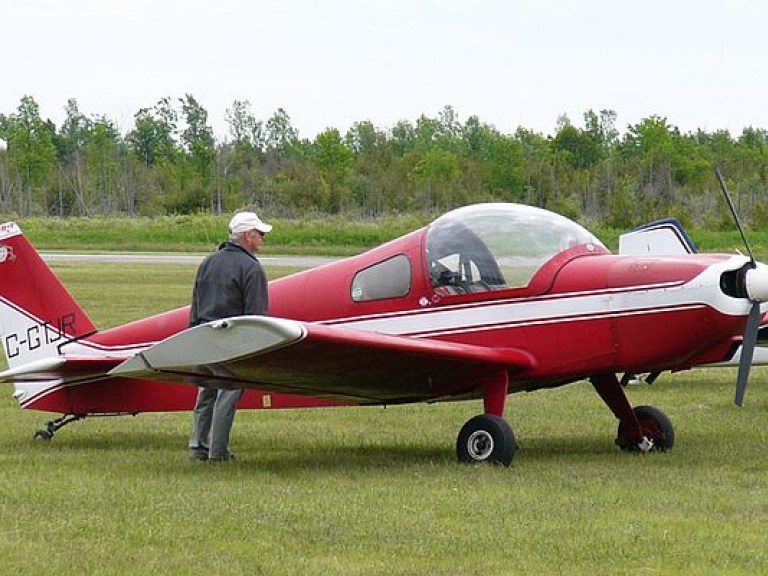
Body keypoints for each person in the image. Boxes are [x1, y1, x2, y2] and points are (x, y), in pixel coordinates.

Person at [188, 211, 272, 461]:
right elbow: (256, 316)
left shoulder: (208, 262)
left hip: (203, 334)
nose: (263, 238)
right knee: (228, 394)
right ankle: (218, 452)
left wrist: (193, 333)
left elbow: (196, 302)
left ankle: (198, 446)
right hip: (231, 340)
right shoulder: (252, 268)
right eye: (260, 234)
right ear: (247, 236)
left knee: (206, 394)